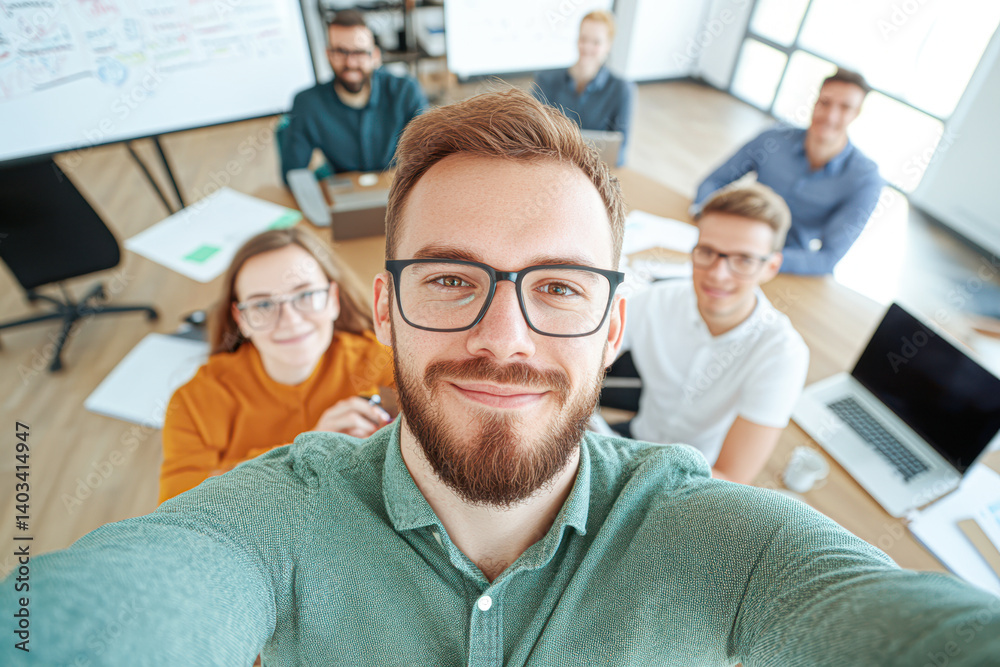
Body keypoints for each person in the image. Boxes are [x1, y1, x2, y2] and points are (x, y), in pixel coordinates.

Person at [4, 89, 999, 666]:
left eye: (558, 288)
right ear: (385, 308)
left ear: (614, 324)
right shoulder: (276, 516)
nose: (502, 337)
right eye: (449, 279)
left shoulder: (715, 536)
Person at [159, 226, 394, 502]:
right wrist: (307, 448)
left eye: (305, 295)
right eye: (263, 305)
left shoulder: (386, 362)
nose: (291, 321)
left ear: (332, 299)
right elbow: (178, 510)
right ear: (241, 320)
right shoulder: (195, 403)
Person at [612, 183, 809, 484]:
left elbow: (731, 477)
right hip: (638, 443)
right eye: (707, 252)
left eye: (743, 260)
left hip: (700, 478)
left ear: (771, 267)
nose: (718, 274)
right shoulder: (656, 301)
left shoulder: (782, 353)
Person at [694, 68, 884, 275]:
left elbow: (828, 258)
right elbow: (713, 182)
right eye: (825, 103)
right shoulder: (772, 140)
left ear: (856, 114)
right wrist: (709, 221)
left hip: (786, 264)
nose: (830, 116)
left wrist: (757, 260)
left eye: (845, 107)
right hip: (736, 238)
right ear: (815, 103)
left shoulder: (866, 179)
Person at [278, 9, 427, 180]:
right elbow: (293, 175)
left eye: (359, 52)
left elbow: (428, 157)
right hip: (342, 190)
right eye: (341, 52)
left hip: (394, 186)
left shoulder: (405, 91)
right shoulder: (307, 103)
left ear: (375, 56)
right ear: (328, 55)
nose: (350, 63)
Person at [532, 9, 635, 166]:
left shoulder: (622, 90)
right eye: (583, 38)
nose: (587, 47)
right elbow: (529, 128)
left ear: (608, 45)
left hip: (593, 170)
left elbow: (620, 153)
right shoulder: (546, 79)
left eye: (596, 42)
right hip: (550, 165)